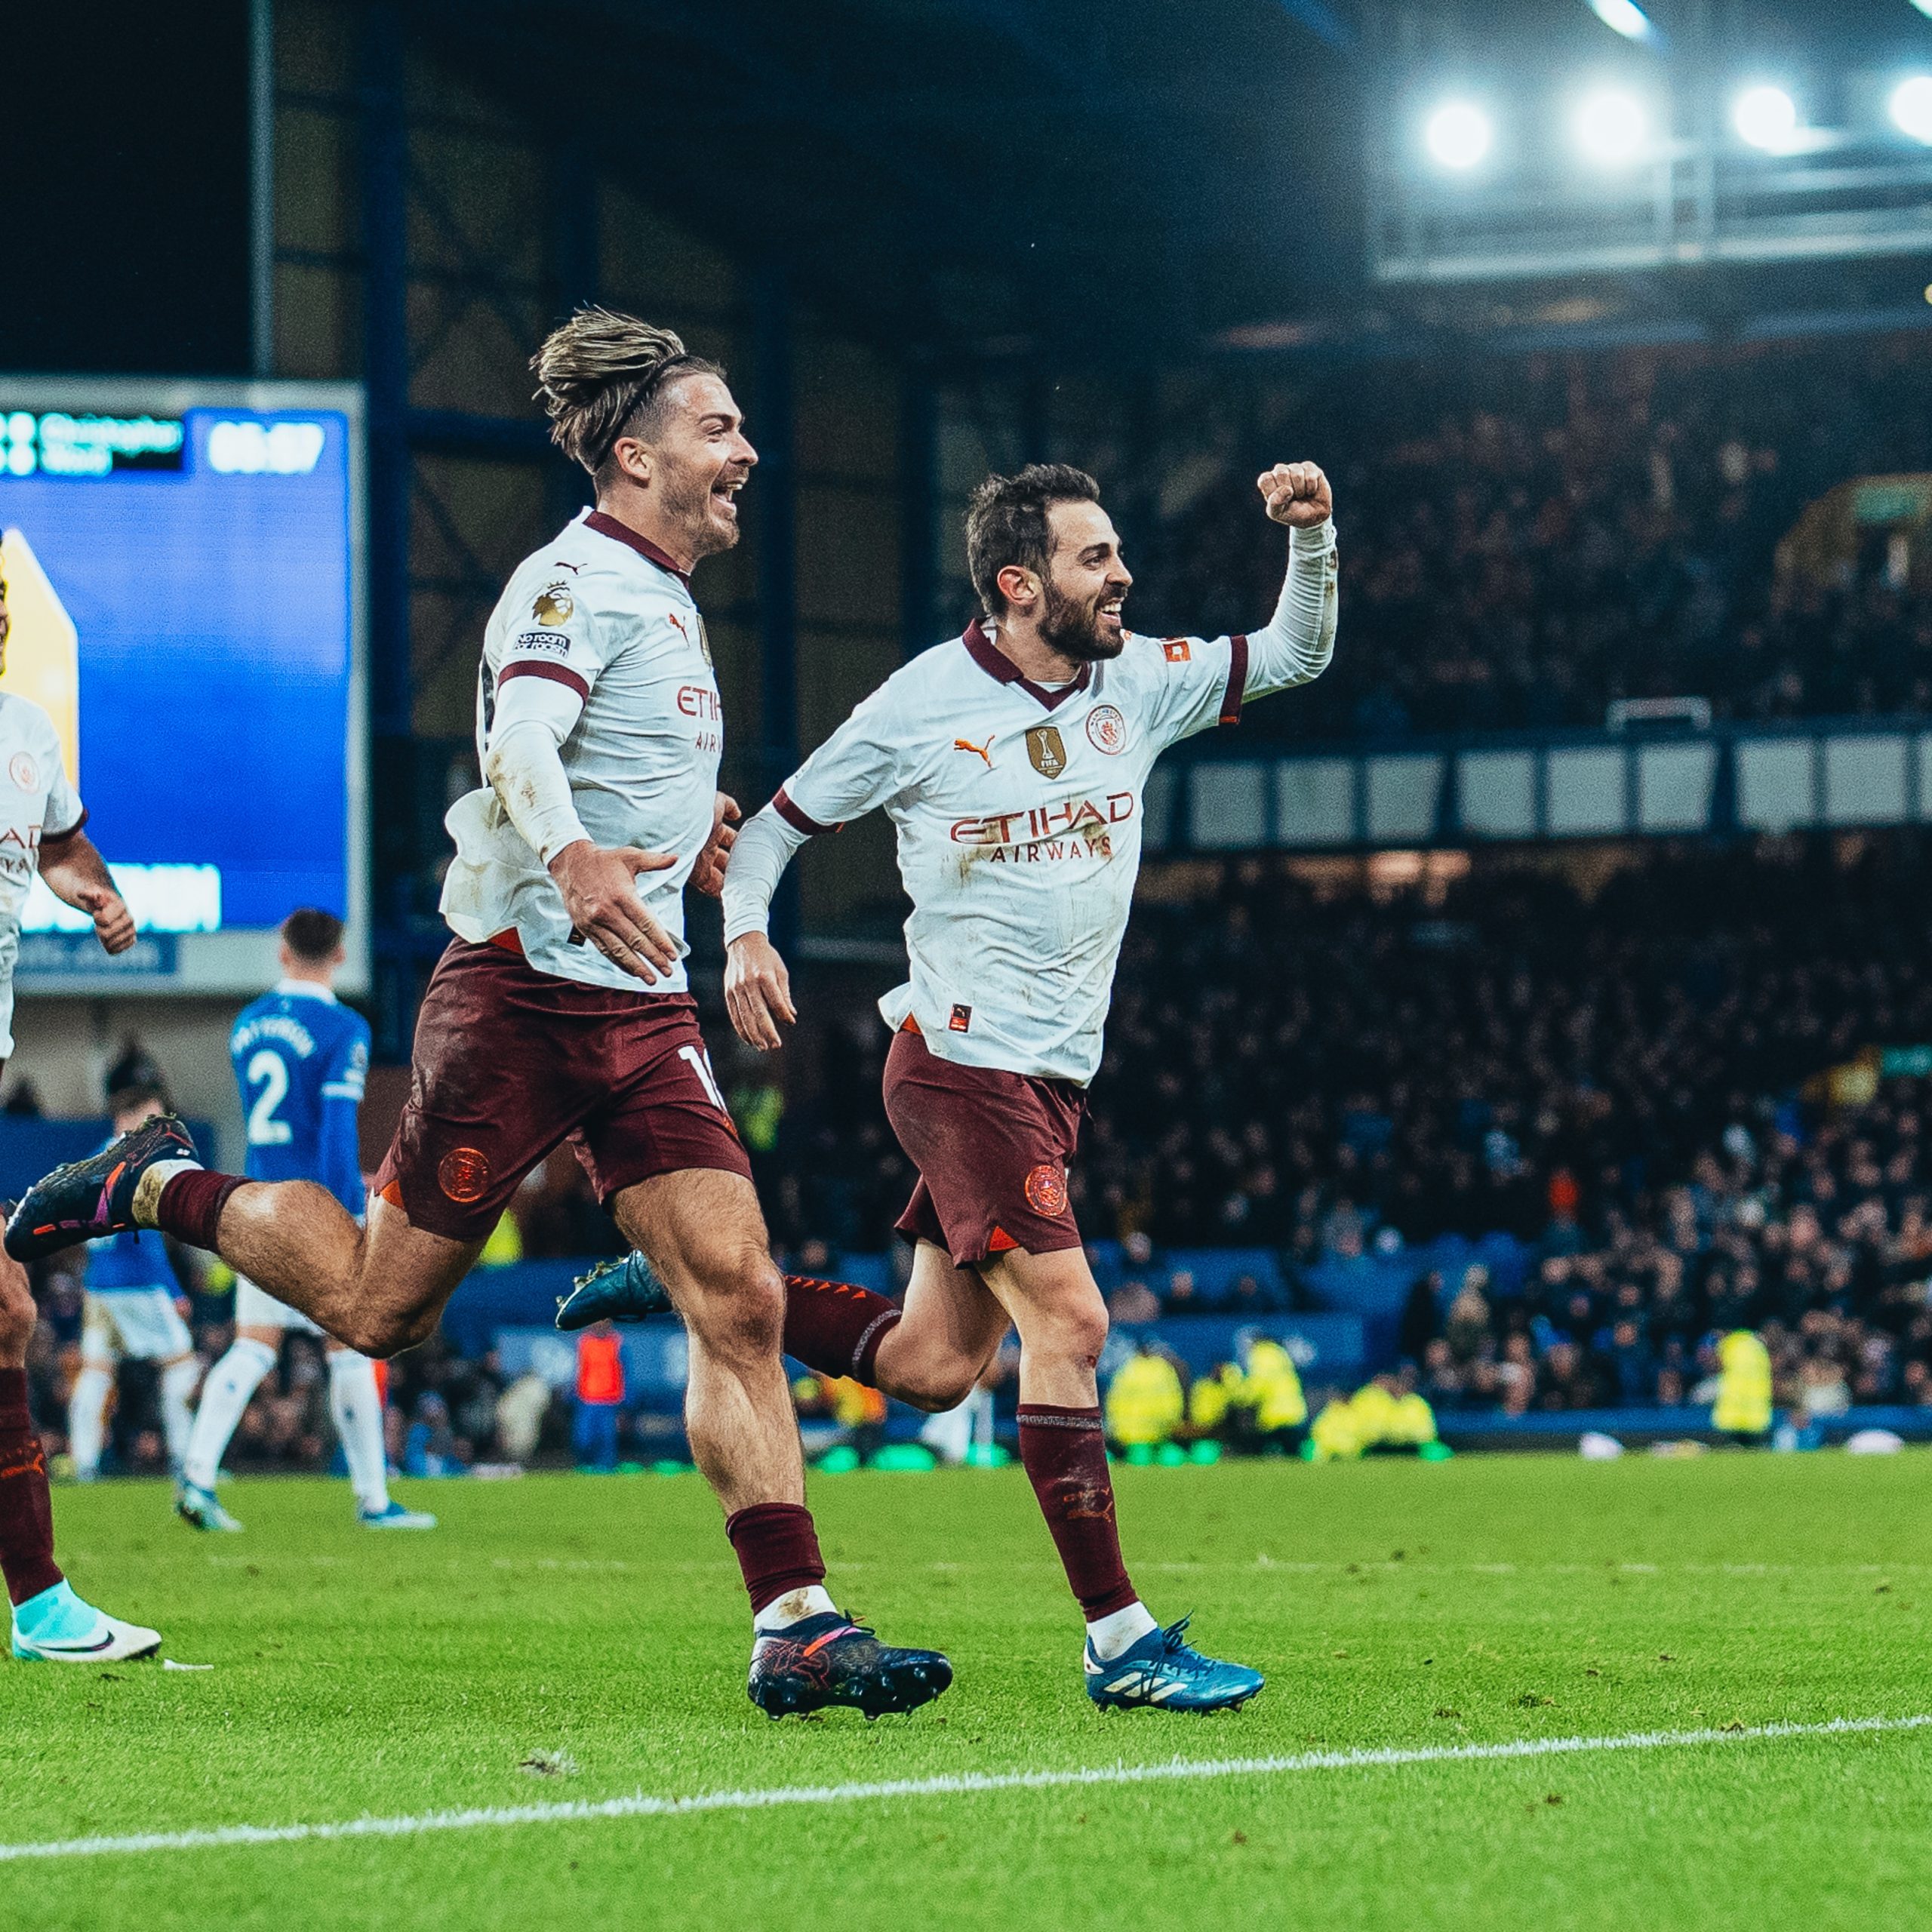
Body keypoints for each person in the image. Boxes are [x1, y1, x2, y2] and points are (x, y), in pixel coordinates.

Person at [7, 309, 949, 1718]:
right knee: (378, 1310)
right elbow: (521, 741)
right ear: (635, 459)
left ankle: (795, 1624)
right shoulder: (569, 579)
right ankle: (154, 1185)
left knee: (741, 1294)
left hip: (641, 1008)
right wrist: (572, 854)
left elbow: (606, 760)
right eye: (720, 427)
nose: (747, 450)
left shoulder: (666, 594)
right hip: (515, 997)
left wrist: (683, 835)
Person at [575, 457, 1337, 1711]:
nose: (1125, 575)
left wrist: (1311, 538)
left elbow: (1296, 653)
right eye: (1097, 558)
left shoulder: (1138, 681)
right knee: (1073, 1326)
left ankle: (699, 1281)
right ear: (1019, 584)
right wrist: (747, 937)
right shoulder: (922, 703)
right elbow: (773, 830)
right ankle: (1122, 1644)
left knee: (933, 1366)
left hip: (1051, 1081)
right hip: (959, 1063)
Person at [0, 565, 159, 1660]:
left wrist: (94, 888)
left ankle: (40, 1604)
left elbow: (57, 843)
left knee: (5, 1315)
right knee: (5, 1312)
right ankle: (39, 1600)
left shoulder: (25, 730)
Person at [176, 909, 435, 1532]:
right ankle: (374, 1500)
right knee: (349, 1349)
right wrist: (348, 1207)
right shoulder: (344, 1028)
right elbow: (336, 1130)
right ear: (340, 955)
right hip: (313, 1206)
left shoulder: (248, 1024)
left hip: (255, 1199)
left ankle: (197, 1477)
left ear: (282, 952)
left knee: (252, 1348)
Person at [69, 1084, 201, 1481]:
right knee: (183, 1367)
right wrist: (173, 1290)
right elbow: (145, 1237)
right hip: (138, 1284)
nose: (160, 1127)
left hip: (98, 1285)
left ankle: (84, 1461)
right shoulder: (138, 1162)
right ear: (125, 1120)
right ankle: (186, 1460)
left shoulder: (93, 1160)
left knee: (96, 1372)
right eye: (152, 1118)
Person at [573, 1320, 626, 1471]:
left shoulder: (617, 1343)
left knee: (606, 1438)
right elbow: (580, 1371)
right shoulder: (584, 1343)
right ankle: (585, 1466)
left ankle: (606, 1469)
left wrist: (624, 1405)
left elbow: (624, 1374)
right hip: (588, 1400)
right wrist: (576, 1395)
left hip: (609, 1400)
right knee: (584, 1438)